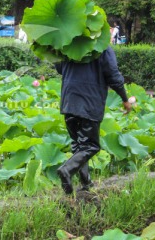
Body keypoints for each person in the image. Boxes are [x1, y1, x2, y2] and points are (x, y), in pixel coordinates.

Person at [55, 46, 131, 195]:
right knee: (91, 146)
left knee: (79, 145)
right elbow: (113, 76)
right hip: (89, 102)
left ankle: (86, 183)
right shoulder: (102, 47)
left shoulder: (67, 44)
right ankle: (66, 170)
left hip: (69, 101)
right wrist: (125, 98)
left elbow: (59, 67)